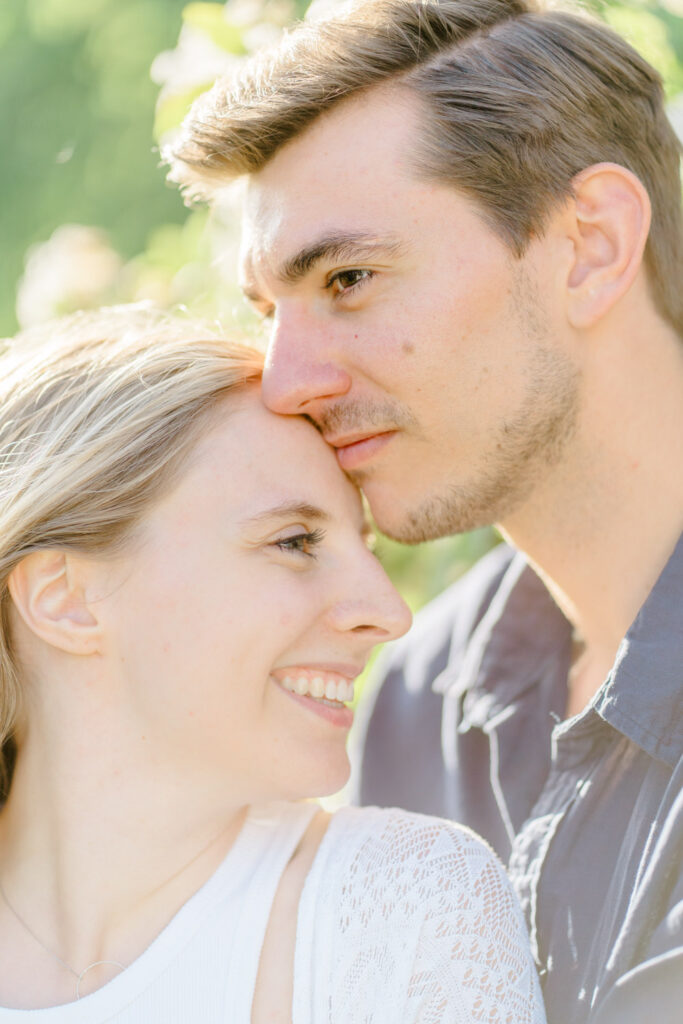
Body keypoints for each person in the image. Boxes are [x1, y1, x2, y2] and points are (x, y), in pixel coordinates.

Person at [166, 0, 683, 1021]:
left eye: (349, 278)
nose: (286, 383)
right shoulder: (413, 705)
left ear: (588, 246)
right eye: (270, 313)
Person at [0, 305, 546, 1022]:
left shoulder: (400, 916)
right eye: (294, 542)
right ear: (66, 599)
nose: (388, 613)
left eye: (368, 550)